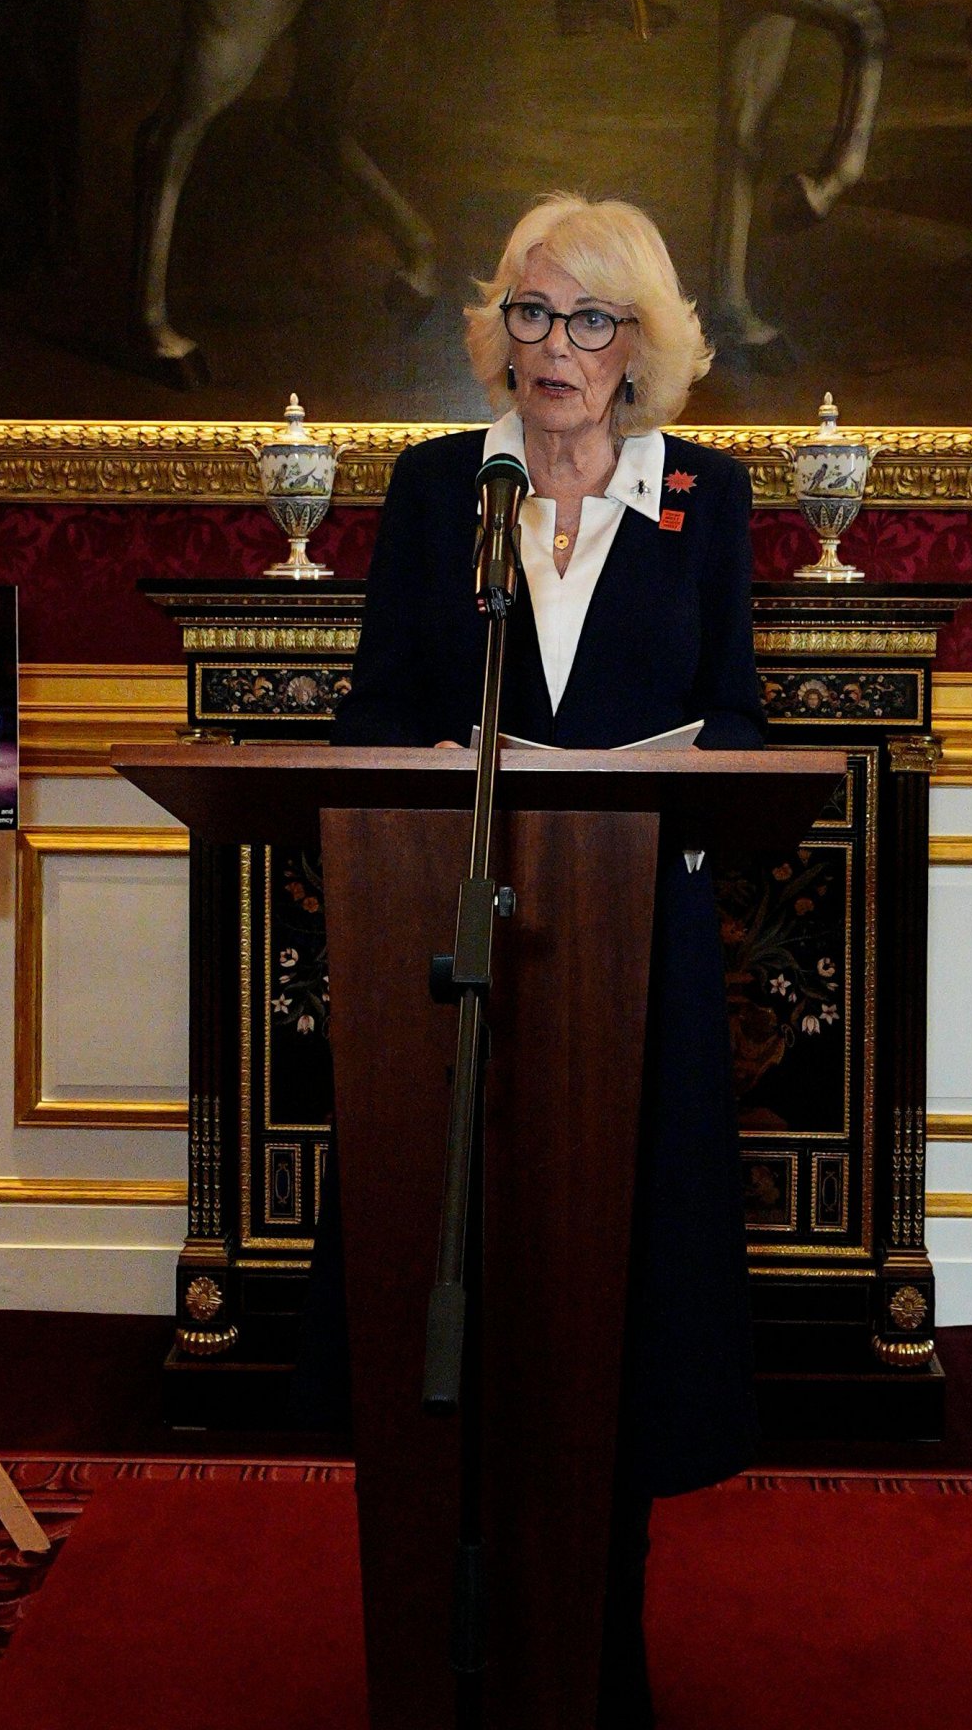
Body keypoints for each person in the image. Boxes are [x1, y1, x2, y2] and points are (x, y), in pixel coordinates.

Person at [329, 193, 765, 1727]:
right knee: (474, 1284)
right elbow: (371, 714)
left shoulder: (706, 497)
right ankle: (456, 1636)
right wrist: (442, 750)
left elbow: (746, 726)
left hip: (634, 979)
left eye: (588, 319)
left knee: (618, 1313)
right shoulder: (440, 486)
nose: (553, 348)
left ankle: (602, 1648)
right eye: (528, 311)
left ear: (642, 346)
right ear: (496, 330)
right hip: (458, 959)